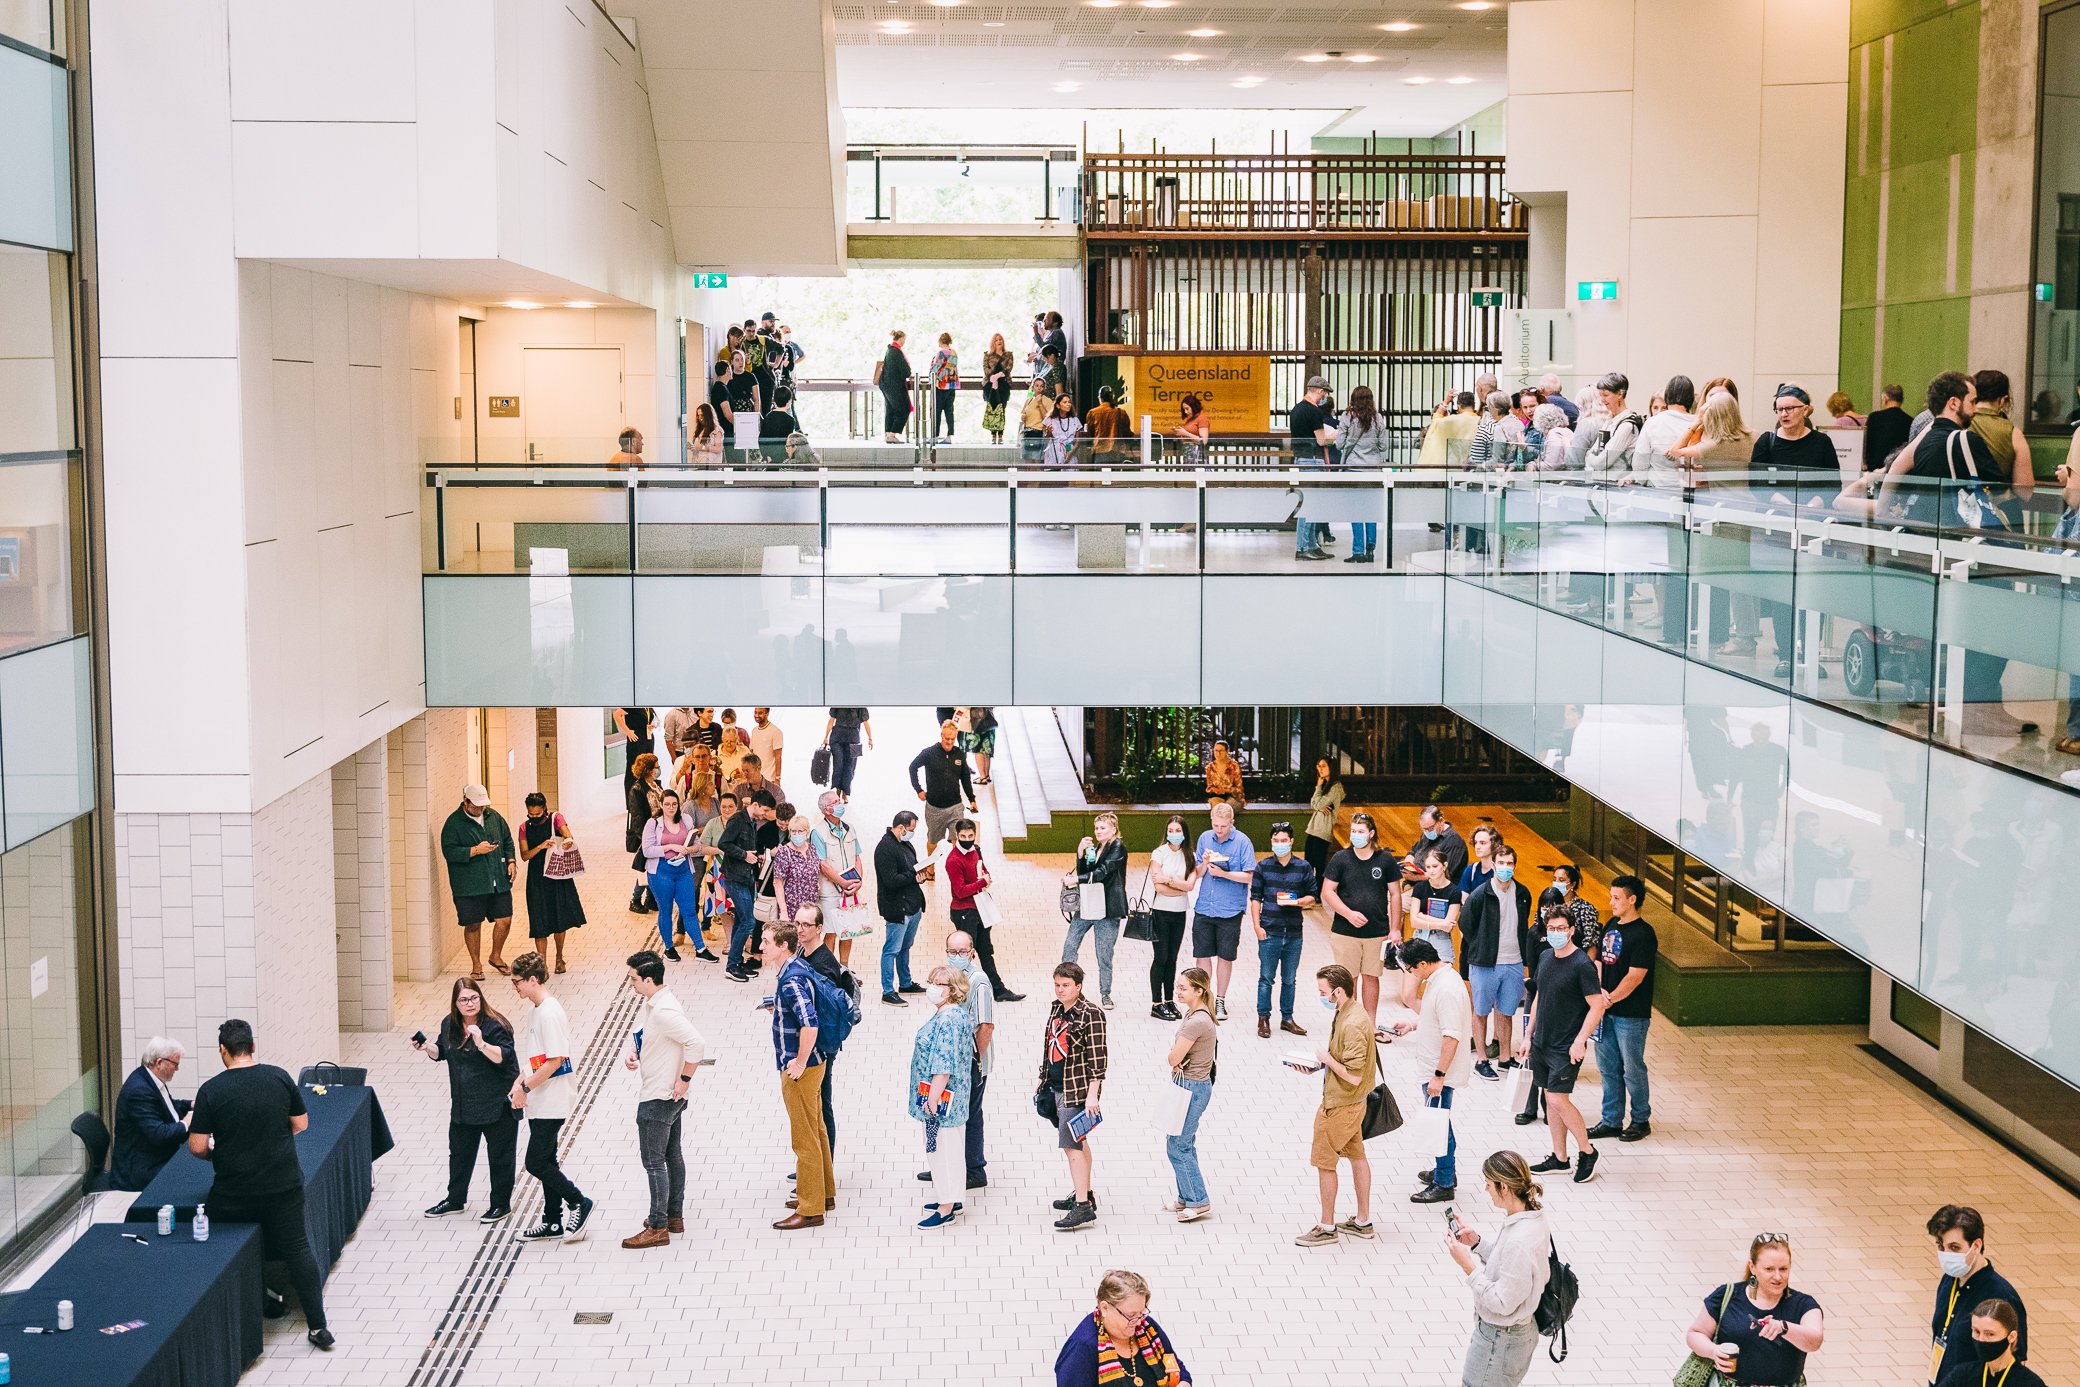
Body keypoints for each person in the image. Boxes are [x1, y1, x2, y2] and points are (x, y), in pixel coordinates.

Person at [186, 1019, 332, 1349]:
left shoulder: (211, 1090)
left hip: (234, 1191)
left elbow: (196, 1146)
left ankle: (256, 1306)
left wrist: (220, 1154)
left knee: (231, 1247)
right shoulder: (278, 1077)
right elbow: (301, 1123)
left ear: (222, 1050)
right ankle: (317, 1325)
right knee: (298, 1248)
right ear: (253, 1046)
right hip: (282, 1185)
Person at [1441, 1151, 1554, 1387]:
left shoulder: (1519, 1240)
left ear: (1504, 1187)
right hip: (1512, 1337)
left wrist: (1469, 1268)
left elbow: (1503, 1302)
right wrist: (1478, 1244)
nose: (1485, 1189)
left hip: (1499, 1342)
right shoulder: (1531, 1218)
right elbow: (1512, 1269)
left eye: (1488, 1183)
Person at [617, 949, 705, 1249]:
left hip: (659, 1095)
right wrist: (636, 1049)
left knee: (654, 1162)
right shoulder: (659, 1003)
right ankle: (673, 1215)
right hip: (670, 1096)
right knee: (671, 1155)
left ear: (649, 979)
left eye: (634, 979)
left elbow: (696, 1042)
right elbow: (650, 1032)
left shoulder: (664, 1011)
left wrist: (684, 1079)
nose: (631, 984)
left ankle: (657, 1227)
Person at [415, 976, 520, 1223]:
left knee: (500, 1157)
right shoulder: (449, 1024)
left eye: (474, 998)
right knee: (459, 1155)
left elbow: (504, 1057)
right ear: (456, 1003)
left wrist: (481, 1043)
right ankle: (455, 1200)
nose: (470, 1003)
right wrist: (426, 1047)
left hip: (496, 1104)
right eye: (463, 1000)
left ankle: (500, 1204)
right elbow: (442, 1052)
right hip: (464, 1104)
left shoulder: (496, 1025)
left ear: (480, 998)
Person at [507, 952, 592, 1242]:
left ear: (533, 980)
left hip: (552, 1099)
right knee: (548, 1161)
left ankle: (579, 1201)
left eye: (517, 981)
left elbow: (555, 1060)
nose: (514, 987)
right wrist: (521, 1078)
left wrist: (525, 1088)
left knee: (536, 1163)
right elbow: (538, 1056)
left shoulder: (550, 1012)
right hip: (541, 1098)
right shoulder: (536, 1009)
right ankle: (552, 1222)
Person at [1518, 910, 1606, 1183]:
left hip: (1566, 1046)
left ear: (1571, 930)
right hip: (1542, 1041)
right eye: (1552, 927)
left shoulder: (1582, 964)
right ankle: (1560, 1157)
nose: (1556, 932)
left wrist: (1580, 1041)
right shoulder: (1545, 957)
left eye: (1562, 928)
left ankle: (1587, 1151)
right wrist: (1528, 1036)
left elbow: (1597, 1005)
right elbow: (1539, 998)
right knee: (1549, 1099)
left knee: (1557, 1098)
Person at [1296, 964, 1376, 1247]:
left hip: (1340, 1105)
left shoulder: (1353, 1023)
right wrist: (1319, 1066)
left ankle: (1327, 1226)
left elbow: (1353, 1075)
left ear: (1338, 991)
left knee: (1324, 1162)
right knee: (1357, 1156)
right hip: (1353, 1103)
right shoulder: (1349, 1012)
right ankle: (1363, 1221)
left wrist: (1328, 1061)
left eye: (1323, 992)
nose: (1321, 996)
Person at [1388, 938, 1473, 1205]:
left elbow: (1452, 1036)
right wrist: (1413, 1025)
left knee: (1438, 1125)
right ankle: (1444, 1169)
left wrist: (1439, 1075)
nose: (1412, 975)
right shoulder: (1439, 980)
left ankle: (1445, 1182)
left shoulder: (1447, 988)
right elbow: (1435, 1017)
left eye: (1412, 970)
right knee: (1440, 1122)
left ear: (1423, 963)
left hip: (1439, 1072)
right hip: (1433, 1068)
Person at [1683, 1233, 1826, 1387]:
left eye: (1783, 1269)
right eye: (1769, 1269)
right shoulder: (1727, 1295)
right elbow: (1695, 1333)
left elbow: (1814, 1341)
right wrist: (1713, 1351)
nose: (1778, 1276)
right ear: (1752, 1267)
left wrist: (1783, 1327)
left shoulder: (1803, 1304)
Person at [767, 920, 834, 1230]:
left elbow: (810, 1023)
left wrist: (799, 1062)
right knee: (817, 1129)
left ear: (784, 946)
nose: (762, 946)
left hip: (801, 1069)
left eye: (767, 942)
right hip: (814, 1063)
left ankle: (810, 1208)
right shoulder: (797, 969)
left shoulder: (791, 979)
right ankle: (824, 1193)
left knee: (803, 1138)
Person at [1926, 1205, 2029, 1386]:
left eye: (1955, 1247)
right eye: (1941, 1246)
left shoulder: (2001, 1297)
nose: (1946, 1254)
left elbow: (2014, 1364)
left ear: (1976, 1245)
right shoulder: (1949, 1280)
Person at [1590, 874, 1657, 1142]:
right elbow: (1601, 963)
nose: (1611, 902)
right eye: (1611, 896)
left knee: (1632, 1068)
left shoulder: (1644, 933)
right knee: (1608, 1068)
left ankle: (1640, 1119)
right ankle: (1611, 1120)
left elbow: (1635, 976)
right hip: (1606, 1010)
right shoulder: (1611, 924)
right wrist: (1600, 992)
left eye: (1616, 898)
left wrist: (1610, 998)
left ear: (1632, 900)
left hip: (1631, 1014)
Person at [1041, 961, 1107, 1230]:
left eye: (1066, 985)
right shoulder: (1057, 1008)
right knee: (1078, 1141)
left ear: (1078, 986)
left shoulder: (1091, 1013)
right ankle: (1086, 1194)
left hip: (1076, 1090)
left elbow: (1098, 1057)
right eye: (1057, 985)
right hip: (1056, 1084)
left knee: (1071, 1147)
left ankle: (1082, 1207)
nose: (1060, 990)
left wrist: (1092, 1095)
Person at [910, 963, 976, 1227]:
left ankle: (946, 1207)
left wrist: (932, 1100)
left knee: (941, 1151)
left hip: (941, 1100)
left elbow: (942, 1065)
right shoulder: (957, 1014)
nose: (932, 988)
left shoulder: (947, 1020)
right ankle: (954, 1198)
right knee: (953, 1148)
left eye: (939, 984)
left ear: (952, 990)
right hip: (955, 1097)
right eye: (931, 981)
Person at [1322, 810, 1397, 1032]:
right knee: (1348, 979)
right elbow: (1327, 891)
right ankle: (1347, 1023)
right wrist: (1348, 913)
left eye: (1360, 831)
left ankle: (1370, 1024)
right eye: (1353, 831)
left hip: (1377, 931)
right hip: (1345, 931)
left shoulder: (1385, 859)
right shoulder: (1341, 859)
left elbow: (1395, 894)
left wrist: (1394, 929)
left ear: (1371, 833)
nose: (1356, 835)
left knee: (1372, 977)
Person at [1155, 966, 1219, 1222]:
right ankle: (1185, 1196)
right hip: (1192, 1086)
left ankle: (1199, 1201)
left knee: (1178, 1146)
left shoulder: (1196, 1021)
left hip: (1192, 1089)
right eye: (1178, 986)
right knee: (1183, 1143)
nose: (1177, 991)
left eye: (1183, 988)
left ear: (1199, 990)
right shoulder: (1198, 1014)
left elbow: (1173, 1056)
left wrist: (1174, 1058)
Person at [1462, 843, 1531, 1079]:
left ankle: (1504, 1058)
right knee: (1480, 1011)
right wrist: (1483, 948)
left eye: (1509, 864)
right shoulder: (1480, 894)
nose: (1505, 867)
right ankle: (1481, 1059)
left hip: (1513, 962)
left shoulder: (1522, 894)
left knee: (1506, 1011)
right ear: (1493, 865)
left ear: (1514, 866)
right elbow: (1466, 925)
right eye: (1500, 863)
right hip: (1485, 964)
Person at [1054, 1270, 1193, 1387]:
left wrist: (1184, 1383)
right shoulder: (1082, 1348)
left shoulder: (1147, 1327)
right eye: (1131, 1315)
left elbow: (1176, 1365)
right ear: (1105, 1308)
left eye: (1142, 1312)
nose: (1138, 1322)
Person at [440, 782, 517, 980]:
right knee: (473, 924)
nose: (480, 809)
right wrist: (474, 851)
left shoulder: (494, 817)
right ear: (465, 801)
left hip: (497, 879)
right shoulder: (453, 823)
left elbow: (507, 840)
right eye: (476, 806)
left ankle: (496, 956)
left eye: (483, 805)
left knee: (505, 920)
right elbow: (449, 851)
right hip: (469, 885)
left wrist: (511, 861)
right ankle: (476, 965)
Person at [1251, 821, 1317, 1040]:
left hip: (1294, 932)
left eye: (1284, 841)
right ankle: (1263, 1018)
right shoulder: (1263, 867)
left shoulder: (1303, 867)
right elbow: (1255, 898)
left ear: (1291, 842)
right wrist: (1257, 927)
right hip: (1269, 931)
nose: (1280, 844)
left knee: (1289, 978)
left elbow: (1312, 897)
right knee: (1266, 978)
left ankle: (1287, 1018)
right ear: (1272, 841)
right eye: (1276, 841)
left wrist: (1297, 902)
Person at [945, 815, 1020, 1001]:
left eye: (971, 835)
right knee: (964, 954)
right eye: (963, 836)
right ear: (957, 836)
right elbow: (960, 891)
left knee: (985, 949)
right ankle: (959, 993)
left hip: (980, 908)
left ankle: (998, 989)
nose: (967, 839)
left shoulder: (975, 850)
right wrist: (981, 883)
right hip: (964, 911)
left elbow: (982, 869)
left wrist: (986, 877)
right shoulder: (953, 860)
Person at [1191, 802, 1254, 1019]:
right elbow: (1198, 873)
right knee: (1202, 955)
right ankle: (1204, 997)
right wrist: (1205, 863)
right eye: (1216, 825)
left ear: (1232, 823)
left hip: (1230, 909)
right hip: (1205, 907)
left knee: (1225, 956)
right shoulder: (1204, 838)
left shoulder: (1243, 841)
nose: (1219, 830)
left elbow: (1249, 876)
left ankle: (1220, 1000)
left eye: (1223, 826)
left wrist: (1223, 873)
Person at [111, 1036, 192, 1191]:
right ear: (159, 1062)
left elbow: (167, 1106)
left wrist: (191, 1104)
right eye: (175, 1064)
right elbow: (159, 1134)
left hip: (152, 1156)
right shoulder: (139, 1091)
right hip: (141, 1168)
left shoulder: (148, 1078)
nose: (177, 1069)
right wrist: (186, 1123)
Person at [1064, 811, 1127, 1009]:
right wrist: (1080, 853)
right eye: (1097, 828)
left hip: (1107, 908)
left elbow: (1102, 873)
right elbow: (1086, 872)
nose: (1098, 831)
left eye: (1103, 828)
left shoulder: (1118, 847)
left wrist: (1075, 880)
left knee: (1104, 953)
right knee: (1070, 945)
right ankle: (1067, 987)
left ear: (1113, 829)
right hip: (1088, 903)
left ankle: (1105, 993)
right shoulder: (1097, 848)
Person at [516, 792, 585, 972]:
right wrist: (539, 847)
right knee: (539, 920)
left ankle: (559, 958)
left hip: (556, 874)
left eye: (538, 814)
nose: (534, 818)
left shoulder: (556, 818)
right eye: (530, 815)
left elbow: (568, 836)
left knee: (558, 918)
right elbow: (524, 856)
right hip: (536, 877)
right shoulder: (524, 827)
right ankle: (543, 964)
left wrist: (567, 842)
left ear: (544, 809)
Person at [641, 788, 708, 963]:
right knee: (666, 910)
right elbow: (647, 850)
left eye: (674, 804)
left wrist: (688, 850)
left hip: (683, 870)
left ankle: (701, 948)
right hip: (661, 872)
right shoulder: (653, 823)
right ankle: (669, 948)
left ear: (679, 805)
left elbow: (697, 844)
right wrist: (670, 847)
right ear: (661, 806)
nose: (671, 808)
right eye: (667, 804)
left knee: (690, 910)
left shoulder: (686, 819)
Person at [875, 809, 930, 1005]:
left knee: (905, 947)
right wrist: (913, 876)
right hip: (897, 908)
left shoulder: (906, 844)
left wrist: (919, 876)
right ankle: (887, 990)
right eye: (911, 829)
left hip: (912, 905)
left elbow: (910, 869)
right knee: (892, 949)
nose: (912, 833)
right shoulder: (885, 848)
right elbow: (890, 880)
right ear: (900, 827)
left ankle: (905, 983)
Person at [809, 789, 867, 967]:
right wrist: (842, 883)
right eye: (835, 802)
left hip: (850, 890)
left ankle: (845, 968)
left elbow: (857, 856)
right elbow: (823, 865)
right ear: (826, 809)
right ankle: (829, 969)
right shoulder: (818, 832)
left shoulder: (849, 828)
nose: (840, 804)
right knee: (831, 932)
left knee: (849, 931)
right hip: (830, 891)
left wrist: (858, 881)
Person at [1147, 814, 1194, 1020]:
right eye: (1171, 830)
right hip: (1161, 912)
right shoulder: (1159, 853)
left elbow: (1190, 886)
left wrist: (1170, 881)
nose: (1174, 834)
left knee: (1173, 958)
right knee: (1161, 957)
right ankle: (1156, 1003)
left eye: (1178, 831)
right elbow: (1159, 887)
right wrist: (1179, 887)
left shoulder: (1189, 854)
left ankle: (1169, 1000)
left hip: (1179, 913)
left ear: (1184, 833)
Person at [909, 719, 979, 856]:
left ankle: (956, 870)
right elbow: (912, 767)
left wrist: (972, 799)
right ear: (941, 735)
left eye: (952, 739)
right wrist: (918, 790)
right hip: (935, 808)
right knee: (932, 841)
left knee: (957, 841)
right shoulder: (929, 753)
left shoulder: (959, 754)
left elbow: (965, 778)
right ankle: (930, 870)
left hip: (955, 807)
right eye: (947, 738)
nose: (949, 742)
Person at [1336, 385, 1389, 559]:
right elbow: (1384, 446)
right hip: (1373, 470)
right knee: (1370, 509)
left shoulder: (1347, 416)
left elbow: (1339, 444)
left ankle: (1358, 551)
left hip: (1353, 469)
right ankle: (1370, 549)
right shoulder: (1378, 418)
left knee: (1356, 510)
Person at [1936, 1300, 2039, 1387]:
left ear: (2011, 1337)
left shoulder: (2029, 1383)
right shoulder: (1963, 1375)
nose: (1981, 1339)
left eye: (1990, 1334)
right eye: (1976, 1331)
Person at [1290, 374, 1336, 559]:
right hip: (1313, 460)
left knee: (1309, 502)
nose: (1324, 396)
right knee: (1310, 505)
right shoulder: (1314, 412)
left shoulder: (1296, 409)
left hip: (1301, 458)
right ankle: (1303, 547)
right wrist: (1338, 435)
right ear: (1320, 391)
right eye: (1324, 392)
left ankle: (1311, 545)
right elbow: (1321, 439)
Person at [1405, 847, 1464, 967]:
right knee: (1409, 984)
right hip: (1420, 936)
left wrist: (1424, 917)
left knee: (1441, 981)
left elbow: (1448, 926)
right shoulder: (1420, 887)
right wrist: (1440, 923)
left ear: (1444, 866)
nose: (1431, 871)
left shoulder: (1454, 891)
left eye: (1435, 866)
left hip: (1441, 939)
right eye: (1428, 867)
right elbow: (1414, 922)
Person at [1582, 372, 1644, 474]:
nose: (1602, 400)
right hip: (1604, 481)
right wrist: (1592, 458)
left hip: (1618, 484)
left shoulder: (1627, 426)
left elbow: (1603, 462)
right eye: (1600, 395)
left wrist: (1591, 458)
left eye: (1606, 395)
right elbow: (1592, 452)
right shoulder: (1609, 421)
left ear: (1620, 394)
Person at [1406, 804, 1470, 883]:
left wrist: (1415, 877)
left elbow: (1445, 875)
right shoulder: (1427, 835)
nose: (1428, 832)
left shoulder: (1454, 842)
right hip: (1415, 883)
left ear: (1441, 821)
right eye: (1424, 829)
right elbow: (1413, 851)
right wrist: (1407, 864)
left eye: (1431, 828)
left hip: (1437, 890)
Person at [1303, 759, 1344, 879]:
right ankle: (1309, 890)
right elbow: (1316, 804)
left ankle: (1319, 893)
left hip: (1322, 831)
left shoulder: (1335, 787)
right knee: (1308, 863)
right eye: (1319, 766)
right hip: (1314, 829)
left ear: (1331, 768)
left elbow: (1316, 804)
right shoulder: (1326, 785)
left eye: (1324, 766)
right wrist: (1319, 805)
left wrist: (1318, 787)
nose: (1320, 769)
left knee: (1320, 866)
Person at [822, 706, 872, 797]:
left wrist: (870, 738)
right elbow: (831, 720)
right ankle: (837, 789)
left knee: (851, 767)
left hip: (854, 738)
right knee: (838, 765)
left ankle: (845, 791)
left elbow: (866, 722)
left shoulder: (860, 705)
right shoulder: (838, 703)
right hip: (837, 737)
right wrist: (825, 737)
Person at [1862, 382, 1910, 470]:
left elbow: (1866, 444)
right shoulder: (1909, 420)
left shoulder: (1874, 417)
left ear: (1885, 398)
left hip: (1875, 468)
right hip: (1897, 471)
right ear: (1901, 400)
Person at [875, 329, 913, 441]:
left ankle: (888, 434)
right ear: (900, 339)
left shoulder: (890, 350)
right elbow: (906, 371)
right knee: (904, 408)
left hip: (886, 384)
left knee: (891, 409)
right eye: (904, 340)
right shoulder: (896, 352)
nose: (904, 342)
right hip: (894, 386)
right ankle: (892, 434)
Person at [981, 333, 1015, 443]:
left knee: (1002, 409)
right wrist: (992, 379)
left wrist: (998, 376)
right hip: (990, 384)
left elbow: (1008, 368)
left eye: (1000, 339)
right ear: (993, 342)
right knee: (992, 408)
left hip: (1004, 384)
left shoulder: (1008, 354)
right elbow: (986, 369)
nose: (999, 341)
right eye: (996, 340)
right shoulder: (987, 355)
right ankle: (992, 435)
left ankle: (1000, 435)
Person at [928, 332, 959, 441]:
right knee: (949, 411)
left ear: (941, 341)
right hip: (951, 385)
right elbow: (953, 368)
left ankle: (934, 436)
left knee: (936, 411)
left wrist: (930, 377)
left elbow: (936, 368)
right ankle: (949, 436)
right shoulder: (954, 352)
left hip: (941, 386)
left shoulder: (941, 353)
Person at [1086, 385, 1126, 465]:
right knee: (1115, 477)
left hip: (1099, 450)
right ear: (1113, 397)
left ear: (1100, 398)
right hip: (1117, 450)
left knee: (1100, 476)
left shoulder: (1093, 412)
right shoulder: (1120, 412)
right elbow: (1126, 432)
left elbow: (1090, 433)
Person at [1044, 389, 1084, 466]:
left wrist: (1070, 453)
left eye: (1069, 402)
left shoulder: (1075, 420)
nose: (1068, 404)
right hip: (1054, 451)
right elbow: (1046, 439)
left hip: (1069, 449)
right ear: (1058, 405)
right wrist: (1048, 432)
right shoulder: (1050, 420)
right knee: (1055, 476)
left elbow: (1077, 441)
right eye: (1065, 402)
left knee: (1069, 476)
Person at [1204, 739, 1244, 809]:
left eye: (1221, 751)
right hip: (1218, 795)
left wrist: (1226, 790)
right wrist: (1218, 790)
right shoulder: (1209, 767)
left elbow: (1239, 788)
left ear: (1227, 751)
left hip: (1233, 796)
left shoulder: (1234, 766)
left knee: (1225, 809)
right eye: (1216, 751)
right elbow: (1209, 788)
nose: (1218, 753)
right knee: (1217, 809)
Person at [1172, 392, 1210, 467]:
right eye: (1184, 409)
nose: (1185, 412)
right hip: (1188, 453)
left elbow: (1203, 441)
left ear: (1194, 407)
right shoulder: (1189, 420)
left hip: (1197, 454)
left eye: (1187, 409)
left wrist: (1185, 433)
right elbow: (1186, 441)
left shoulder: (1202, 418)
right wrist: (1180, 434)